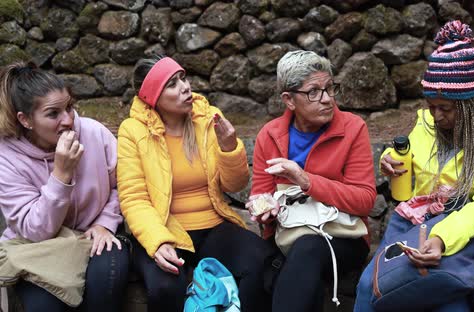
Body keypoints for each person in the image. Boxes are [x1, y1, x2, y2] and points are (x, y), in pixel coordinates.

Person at [354, 20, 474, 311]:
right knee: (372, 286)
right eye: (431, 106)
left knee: (446, 299)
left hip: (460, 229)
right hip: (409, 223)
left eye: (444, 108)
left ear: (470, 106)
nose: (436, 116)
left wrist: (442, 237)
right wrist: (389, 161)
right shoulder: (427, 123)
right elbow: (405, 154)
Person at [117, 55, 272, 312]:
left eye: (183, 78)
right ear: (152, 97)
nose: (185, 87)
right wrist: (157, 241)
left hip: (213, 224)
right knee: (165, 288)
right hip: (165, 228)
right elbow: (134, 199)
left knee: (263, 264)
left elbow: (235, 185)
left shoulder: (208, 117)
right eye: (172, 84)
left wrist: (229, 148)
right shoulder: (133, 131)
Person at [247, 50, 376, 312]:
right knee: (253, 272)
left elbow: (364, 201)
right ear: (289, 100)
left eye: (330, 88)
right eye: (314, 92)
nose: (327, 99)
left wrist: (305, 180)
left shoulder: (352, 128)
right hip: (287, 234)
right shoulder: (269, 135)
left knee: (307, 251)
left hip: (343, 235)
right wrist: (264, 210)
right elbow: (261, 195)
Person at [0, 62, 128, 311]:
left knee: (108, 279)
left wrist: (105, 221)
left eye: (69, 106)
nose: (68, 120)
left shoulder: (94, 133)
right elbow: (33, 230)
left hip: (96, 234)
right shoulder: (7, 158)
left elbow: (125, 183)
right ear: (25, 120)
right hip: (40, 247)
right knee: (42, 306)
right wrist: (61, 175)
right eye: (53, 113)